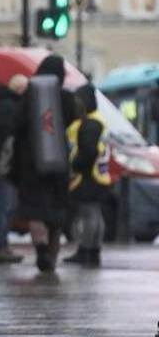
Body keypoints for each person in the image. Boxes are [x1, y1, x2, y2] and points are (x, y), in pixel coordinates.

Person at [10, 54, 77, 273]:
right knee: (56, 213)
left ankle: (40, 250)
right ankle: (53, 255)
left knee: (34, 210)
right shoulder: (66, 97)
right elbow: (73, 117)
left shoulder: (30, 93)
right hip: (58, 161)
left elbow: (17, 123)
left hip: (30, 164)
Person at [63, 83, 112, 267]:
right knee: (96, 214)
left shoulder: (89, 124)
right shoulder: (99, 121)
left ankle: (86, 251)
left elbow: (87, 151)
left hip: (88, 176)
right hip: (100, 175)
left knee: (88, 213)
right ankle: (94, 250)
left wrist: (75, 165)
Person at [0, 73, 28, 263]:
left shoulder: (0, 105)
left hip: (2, 163)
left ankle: (0, 245)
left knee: (5, 204)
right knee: (4, 205)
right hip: (7, 164)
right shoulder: (9, 107)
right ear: (20, 90)